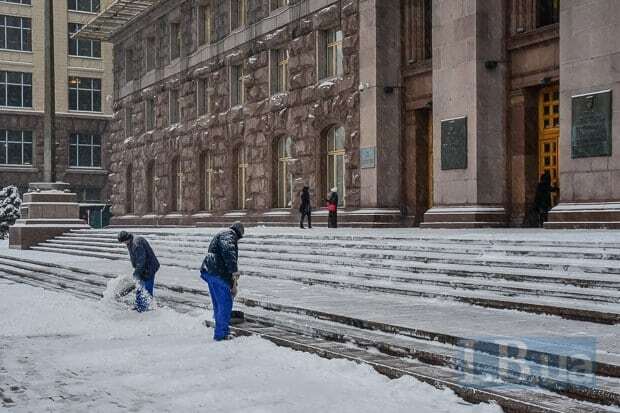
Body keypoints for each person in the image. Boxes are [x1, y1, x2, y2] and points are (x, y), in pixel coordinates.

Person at [200, 222, 244, 341]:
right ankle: (221, 334)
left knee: (219, 304)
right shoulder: (229, 235)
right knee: (225, 303)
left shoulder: (223, 234)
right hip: (217, 272)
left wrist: (233, 282)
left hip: (211, 271)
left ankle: (222, 330)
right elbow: (229, 252)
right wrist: (234, 271)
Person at [117, 231, 160, 312]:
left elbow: (141, 260)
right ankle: (139, 304)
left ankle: (147, 306)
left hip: (149, 267)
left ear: (126, 238)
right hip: (141, 268)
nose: (123, 243)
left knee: (147, 287)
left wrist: (136, 273)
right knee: (139, 286)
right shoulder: (130, 242)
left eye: (123, 241)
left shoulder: (137, 243)